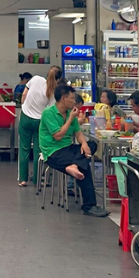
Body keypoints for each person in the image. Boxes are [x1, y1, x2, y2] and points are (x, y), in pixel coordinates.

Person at [39, 83, 109, 218]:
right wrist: (71, 118)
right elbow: (58, 136)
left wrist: (83, 144)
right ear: (63, 98)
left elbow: (78, 133)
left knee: (92, 145)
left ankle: (74, 166)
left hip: (68, 149)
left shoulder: (70, 112)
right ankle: (89, 206)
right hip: (53, 152)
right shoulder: (49, 113)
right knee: (85, 167)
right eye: (72, 98)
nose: (74, 101)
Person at [17, 65, 62, 187]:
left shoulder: (35, 79)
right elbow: (50, 111)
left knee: (24, 149)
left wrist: (25, 107)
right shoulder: (53, 92)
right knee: (38, 150)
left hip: (25, 118)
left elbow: (24, 95)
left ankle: (23, 179)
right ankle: (37, 180)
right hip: (40, 122)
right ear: (58, 80)